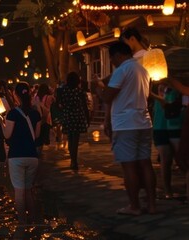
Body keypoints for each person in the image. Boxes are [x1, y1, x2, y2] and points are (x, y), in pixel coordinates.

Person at [94, 42, 155, 215]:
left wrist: (99, 88)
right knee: (145, 163)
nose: (112, 62)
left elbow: (107, 97)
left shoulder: (122, 70)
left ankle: (134, 206)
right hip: (144, 121)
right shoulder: (143, 70)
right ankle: (152, 205)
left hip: (125, 124)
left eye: (112, 58)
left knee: (128, 166)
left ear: (119, 55)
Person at [2, 82, 42, 224]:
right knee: (29, 190)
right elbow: (37, 135)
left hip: (16, 156)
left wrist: (2, 122)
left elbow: (7, 135)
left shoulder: (12, 113)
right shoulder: (36, 113)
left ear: (16, 96)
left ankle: (22, 222)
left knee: (19, 192)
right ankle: (32, 218)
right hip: (32, 156)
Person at [149, 82, 183, 198]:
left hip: (175, 126)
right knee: (166, 160)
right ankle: (168, 191)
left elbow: (168, 104)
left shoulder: (178, 87)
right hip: (160, 126)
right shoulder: (159, 85)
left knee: (180, 160)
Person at [56, 72, 89, 171]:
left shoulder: (62, 91)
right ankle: (74, 160)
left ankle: (72, 159)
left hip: (68, 116)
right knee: (75, 139)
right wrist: (87, 118)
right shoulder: (79, 91)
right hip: (77, 117)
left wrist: (64, 111)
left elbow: (58, 103)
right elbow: (84, 106)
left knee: (70, 138)